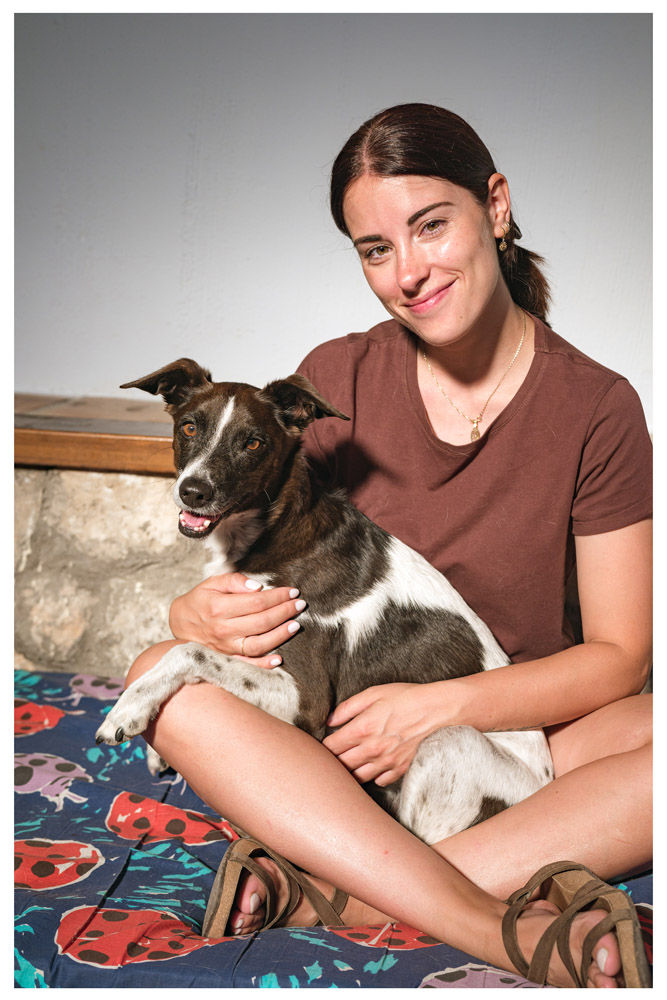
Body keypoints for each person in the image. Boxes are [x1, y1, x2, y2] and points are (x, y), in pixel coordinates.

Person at [125, 104, 652, 987]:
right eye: (375, 249)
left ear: (495, 206)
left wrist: (440, 710)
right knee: (161, 677)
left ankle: (333, 891)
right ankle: (486, 921)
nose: (407, 272)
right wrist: (194, 616)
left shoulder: (598, 409)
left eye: (430, 226)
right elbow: (264, 567)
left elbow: (619, 659)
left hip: (523, 733)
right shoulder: (338, 377)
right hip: (342, 745)